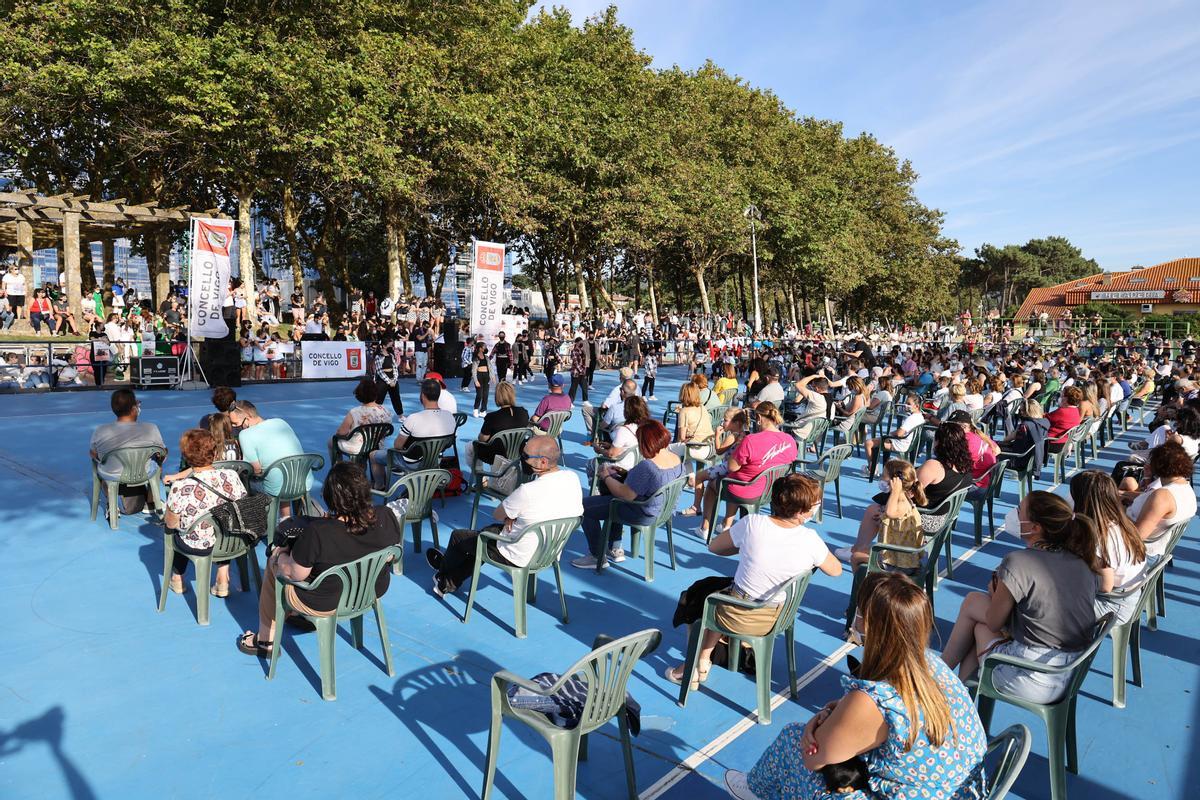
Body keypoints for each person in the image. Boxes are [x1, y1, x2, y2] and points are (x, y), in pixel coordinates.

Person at [725, 573, 987, 800]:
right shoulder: (932, 665)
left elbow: (812, 759)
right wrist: (838, 712)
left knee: (793, 740)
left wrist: (814, 725)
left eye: (859, 611)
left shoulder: (876, 701)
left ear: (869, 624)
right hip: (961, 789)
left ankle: (755, 789)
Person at [663, 474, 841, 687]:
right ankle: (703, 659)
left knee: (704, 595)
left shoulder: (752, 524)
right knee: (719, 592)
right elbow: (835, 570)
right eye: (816, 504)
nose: (817, 507)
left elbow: (715, 547)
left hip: (737, 613)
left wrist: (745, 545)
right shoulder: (810, 539)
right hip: (778, 615)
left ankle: (695, 663)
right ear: (801, 512)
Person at [943, 491, 1102, 701]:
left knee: (977, 622)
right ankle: (952, 695)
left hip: (1028, 676)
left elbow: (993, 622)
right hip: (1069, 673)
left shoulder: (1018, 561)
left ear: (1035, 528)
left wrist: (994, 590)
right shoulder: (1082, 561)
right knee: (974, 605)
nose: (1014, 514)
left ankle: (943, 682)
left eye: (1019, 511)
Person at [237, 463, 402, 656]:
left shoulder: (318, 532)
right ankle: (297, 615)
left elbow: (294, 574)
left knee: (275, 566)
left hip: (325, 602)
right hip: (371, 591)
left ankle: (265, 640)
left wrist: (279, 553)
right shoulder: (386, 515)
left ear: (330, 498)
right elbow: (390, 556)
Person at [426, 436, 583, 596]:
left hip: (518, 552)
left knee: (459, 537)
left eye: (525, 457)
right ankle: (447, 581)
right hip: (549, 551)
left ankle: (443, 571)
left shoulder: (528, 490)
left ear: (543, 462)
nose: (521, 460)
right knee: (484, 536)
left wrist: (510, 516)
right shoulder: (572, 478)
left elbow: (497, 514)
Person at [573, 420, 686, 569]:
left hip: (642, 512)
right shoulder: (676, 459)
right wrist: (626, 473)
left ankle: (596, 555)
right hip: (662, 511)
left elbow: (625, 495)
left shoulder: (648, 466)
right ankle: (614, 544)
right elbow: (652, 484)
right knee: (609, 496)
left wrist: (605, 475)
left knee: (584, 506)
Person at [162, 429, 249, 597]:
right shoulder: (231, 475)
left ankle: (178, 577)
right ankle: (222, 577)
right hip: (233, 542)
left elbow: (171, 523)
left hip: (200, 545)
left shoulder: (181, 487)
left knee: (176, 532)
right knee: (225, 521)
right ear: (215, 453)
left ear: (186, 457)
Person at [698, 402, 797, 540]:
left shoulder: (751, 440)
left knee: (715, 484)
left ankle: (705, 527)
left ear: (759, 418)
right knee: (735, 478)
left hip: (747, 490)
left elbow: (732, 466)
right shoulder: (790, 440)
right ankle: (726, 524)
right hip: (773, 490)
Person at [1070, 471, 1147, 625]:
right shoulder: (1120, 522)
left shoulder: (1096, 536)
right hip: (1129, 594)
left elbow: (1105, 586)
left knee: (1042, 597)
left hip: (1112, 605)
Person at [89, 388, 167, 514]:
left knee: (100, 463)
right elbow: (162, 452)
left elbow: (93, 453)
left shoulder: (100, 430)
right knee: (158, 459)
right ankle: (151, 502)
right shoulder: (151, 428)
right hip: (144, 473)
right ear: (133, 408)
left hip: (112, 473)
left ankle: (112, 500)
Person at [369, 378, 456, 488]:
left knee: (373, 455)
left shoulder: (414, 418)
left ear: (422, 395)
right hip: (435, 461)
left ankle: (379, 486)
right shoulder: (450, 416)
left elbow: (397, 446)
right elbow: (449, 443)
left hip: (412, 463)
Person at [1120, 441, 1198, 559]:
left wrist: (1117, 508)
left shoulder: (1163, 496)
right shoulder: (1186, 490)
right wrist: (1122, 494)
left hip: (1137, 553)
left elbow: (1138, 535)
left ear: (1157, 466)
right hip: (1152, 547)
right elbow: (1147, 499)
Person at [228, 400, 311, 501]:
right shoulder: (281, 422)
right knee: (281, 477)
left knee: (244, 482)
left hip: (276, 490)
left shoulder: (245, 435)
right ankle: (286, 516)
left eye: (235, 423)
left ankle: (260, 516)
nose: (233, 427)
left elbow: (256, 470)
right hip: (304, 482)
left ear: (248, 418)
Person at [467, 381, 530, 467]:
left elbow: (482, 439)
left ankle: (480, 475)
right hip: (518, 451)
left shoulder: (492, 417)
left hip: (497, 455)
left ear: (497, 397)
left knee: (470, 446)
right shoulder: (523, 412)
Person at [862, 391, 923, 480]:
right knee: (880, 440)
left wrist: (889, 434)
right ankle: (875, 468)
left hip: (900, 444)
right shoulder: (920, 416)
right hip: (906, 443)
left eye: (908, 404)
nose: (905, 405)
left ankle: (872, 469)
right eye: (906, 403)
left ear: (916, 406)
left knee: (868, 443)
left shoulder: (911, 419)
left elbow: (899, 433)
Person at [588, 395, 650, 480]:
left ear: (627, 412)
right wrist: (611, 445)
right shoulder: (646, 427)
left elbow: (611, 454)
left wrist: (598, 449)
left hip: (622, 468)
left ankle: (599, 489)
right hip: (638, 465)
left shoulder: (624, 430)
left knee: (590, 464)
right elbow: (629, 446)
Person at [331, 378, 393, 458]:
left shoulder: (354, 412)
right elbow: (387, 431)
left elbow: (341, 432)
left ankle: (339, 467)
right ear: (376, 393)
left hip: (357, 447)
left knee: (332, 442)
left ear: (359, 394)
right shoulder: (386, 411)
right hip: (377, 446)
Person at [668, 382, 714, 459]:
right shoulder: (702, 407)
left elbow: (681, 438)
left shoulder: (684, 411)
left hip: (695, 448)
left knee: (665, 450)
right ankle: (688, 470)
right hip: (709, 447)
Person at [470, 341, 491, 418]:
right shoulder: (475, 358)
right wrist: (475, 381)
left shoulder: (486, 357)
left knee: (486, 395)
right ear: (480, 348)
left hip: (486, 376)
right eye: (484, 347)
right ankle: (476, 409)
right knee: (479, 394)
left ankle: (483, 410)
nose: (485, 348)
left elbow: (490, 368)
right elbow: (474, 370)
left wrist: (492, 377)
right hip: (479, 376)